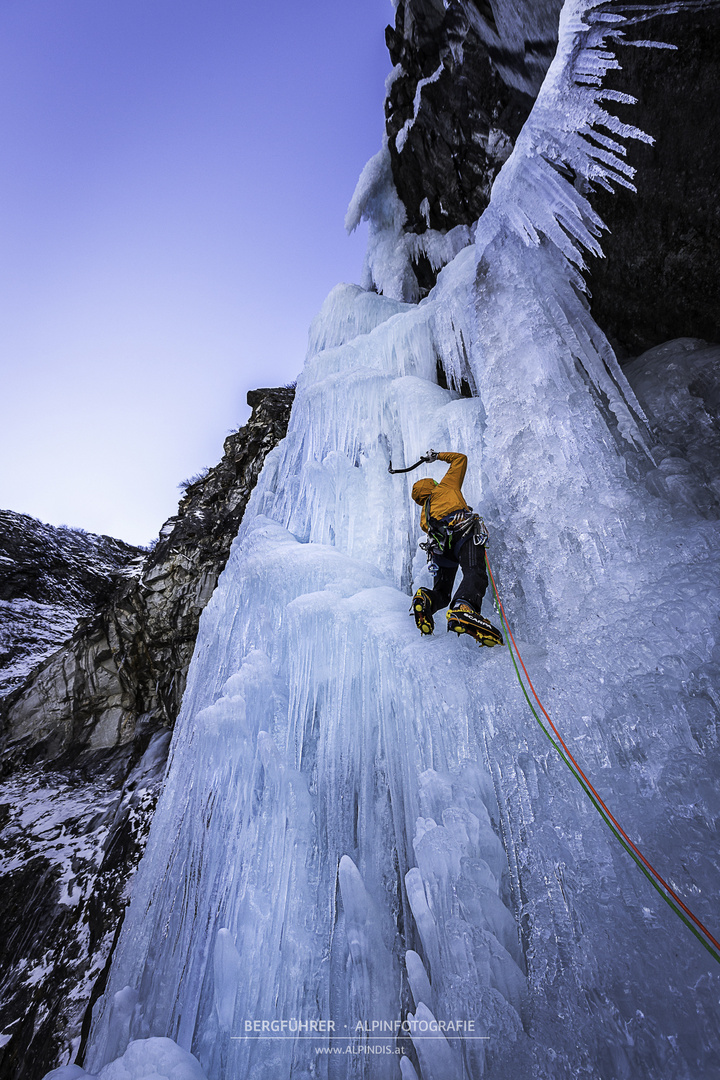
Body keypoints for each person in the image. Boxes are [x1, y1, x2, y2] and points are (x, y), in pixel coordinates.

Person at [410, 450, 503, 647]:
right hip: (462, 532)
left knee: (442, 594)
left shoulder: (424, 515)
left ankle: (425, 599)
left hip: (440, 550)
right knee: (474, 573)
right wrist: (437, 456)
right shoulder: (445, 487)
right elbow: (460, 459)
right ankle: (464, 608)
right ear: (432, 486)